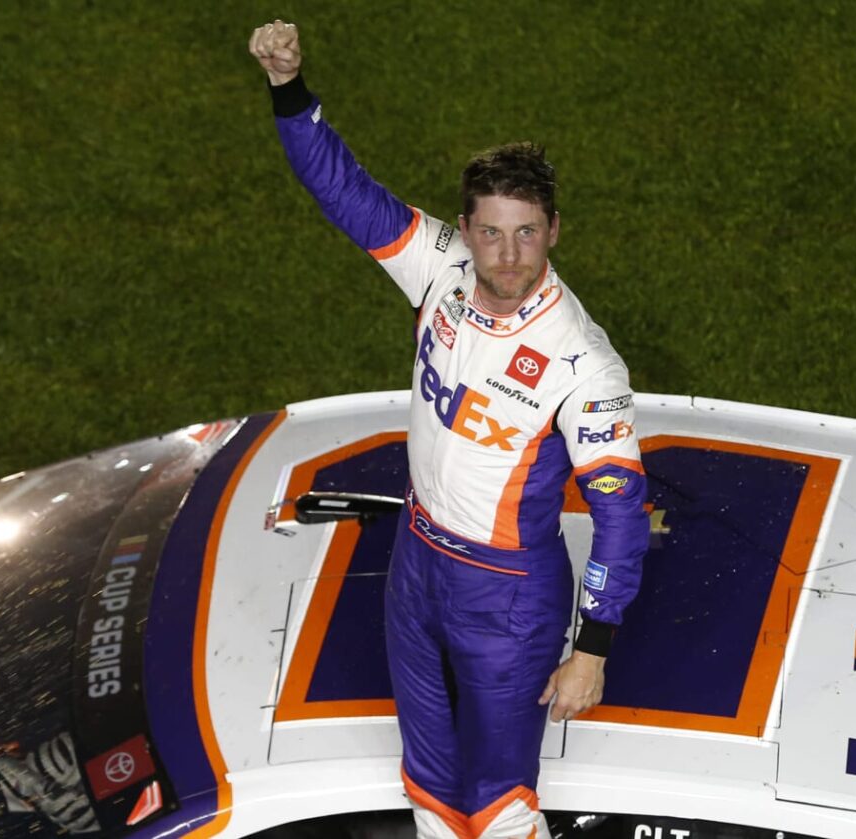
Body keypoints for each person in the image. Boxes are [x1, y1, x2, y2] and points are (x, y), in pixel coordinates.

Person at [250, 20, 650, 839]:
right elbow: (342, 189)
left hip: (509, 595)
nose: (509, 255)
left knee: (500, 801)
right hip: (417, 560)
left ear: (555, 230)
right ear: (464, 230)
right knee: (429, 783)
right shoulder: (438, 264)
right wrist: (288, 88)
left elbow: (619, 513)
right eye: (492, 232)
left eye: (527, 232)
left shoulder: (584, 362)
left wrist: (592, 649)